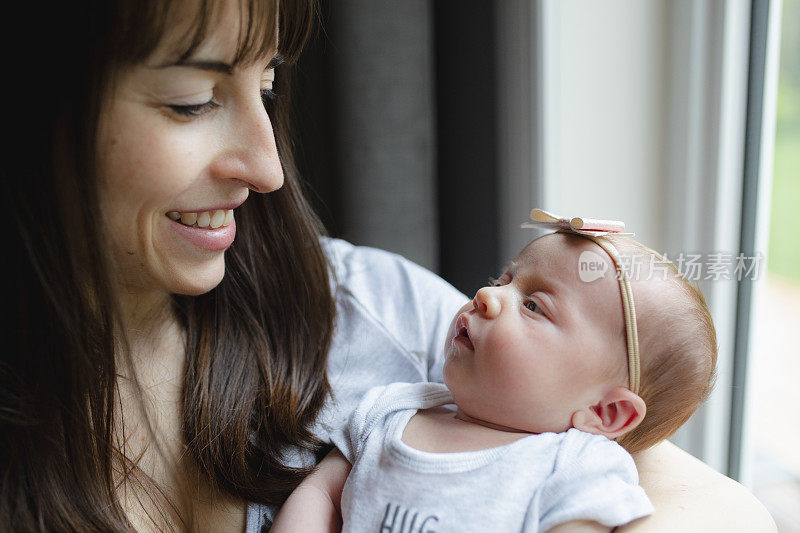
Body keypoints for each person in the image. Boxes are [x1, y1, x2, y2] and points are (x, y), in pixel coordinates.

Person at [0, 1, 776, 532]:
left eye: (267, 87)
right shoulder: (404, 404)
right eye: (192, 100)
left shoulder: (379, 313)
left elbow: (715, 503)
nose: (269, 169)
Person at [269, 231, 717, 532]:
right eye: (502, 280)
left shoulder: (572, 468)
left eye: (534, 306)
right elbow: (320, 493)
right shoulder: (390, 410)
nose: (487, 296)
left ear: (605, 411)